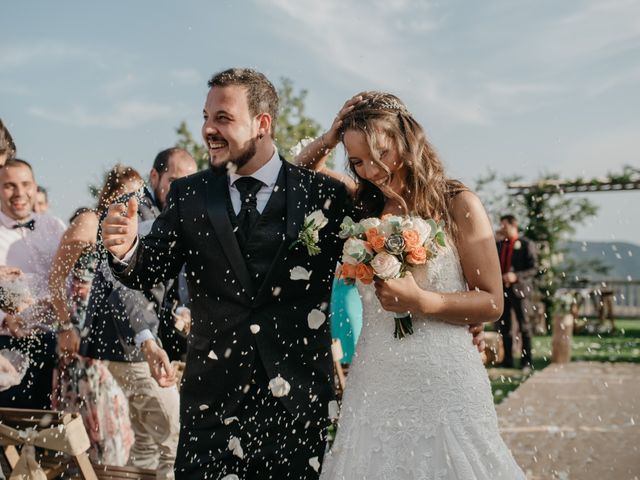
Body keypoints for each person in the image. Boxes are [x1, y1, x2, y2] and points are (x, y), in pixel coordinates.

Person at [101, 70, 484, 480]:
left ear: (262, 124)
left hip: (297, 404)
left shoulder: (324, 195)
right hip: (211, 403)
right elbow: (150, 269)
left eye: (223, 118)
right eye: (206, 117)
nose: (208, 129)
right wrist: (126, 252)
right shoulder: (189, 193)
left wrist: (440, 311)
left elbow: (389, 237)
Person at [295, 92, 525, 478]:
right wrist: (331, 136)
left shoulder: (456, 202)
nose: (370, 169)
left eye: (379, 153)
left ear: (406, 139)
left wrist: (422, 302)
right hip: (375, 377)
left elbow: (491, 303)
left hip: (445, 377)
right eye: (356, 161)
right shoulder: (360, 207)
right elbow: (297, 177)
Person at [85, 154, 195, 479]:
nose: (181, 190)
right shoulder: (130, 209)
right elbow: (120, 283)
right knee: (175, 437)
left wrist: (183, 310)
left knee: (146, 443)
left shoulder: (172, 214)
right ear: (155, 177)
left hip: (136, 345)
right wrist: (147, 340)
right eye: (174, 182)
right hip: (127, 343)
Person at [49, 202, 135, 465]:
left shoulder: (124, 231)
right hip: (78, 336)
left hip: (101, 338)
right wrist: (65, 327)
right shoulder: (89, 221)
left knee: (110, 423)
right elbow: (55, 279)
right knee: (88, 422)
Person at [0, 159, 66, 409]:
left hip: (54, 341)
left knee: (51, 433)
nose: (19, 193)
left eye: (26, 184)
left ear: (35, 186)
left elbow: (69, 279)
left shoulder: (54, 226)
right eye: (9, 186)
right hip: (6, 347)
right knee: (8, 433)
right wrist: (5, 318)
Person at [496, 214, 537, 369]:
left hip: (520, 291)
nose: (502, 228)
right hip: (503, 291)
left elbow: (534, 269)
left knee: (524, 325)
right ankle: (508, 360)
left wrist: (516, 276)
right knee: (504, 326)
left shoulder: (526, 244)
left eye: (504, 225)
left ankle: (527, 361)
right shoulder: (500, 245)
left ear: (514, 225)